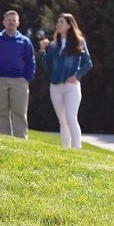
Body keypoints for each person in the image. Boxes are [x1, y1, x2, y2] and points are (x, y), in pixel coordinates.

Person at [38, 13, 92, 148]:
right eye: (57, 22)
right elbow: (47, 68)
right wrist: (43, 50)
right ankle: (65, 150)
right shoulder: (53, 45)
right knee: (62, 121)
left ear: (69, 25)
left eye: (61, 22)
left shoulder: (79, 42)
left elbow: (88, 63)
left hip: (71, 86)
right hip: (55, 87)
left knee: (71, 118)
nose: (58, 24)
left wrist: (77, 76)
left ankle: (77, 150)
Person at [0, 10, 36, 138]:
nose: (11, 22)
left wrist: (27, 79)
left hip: (19, 81)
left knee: (20, 112)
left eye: (13, 20)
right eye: (8, 20)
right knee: (1, 112)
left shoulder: (25, 41)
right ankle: (5, 139)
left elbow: (31, 62)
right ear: (4, 22)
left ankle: (21, 140)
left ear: (18, 23)